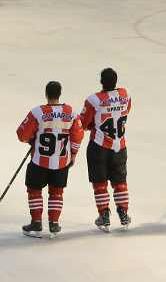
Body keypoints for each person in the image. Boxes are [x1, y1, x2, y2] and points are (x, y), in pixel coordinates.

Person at [16, 81, 84, 239]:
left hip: (39, 161)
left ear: (46, 94)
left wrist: (32, 140)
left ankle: (36, 223)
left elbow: (22, 135)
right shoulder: (71, 112)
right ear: (60, 94)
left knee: (34, 190)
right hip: (62, 161)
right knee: (57, 192)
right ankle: (54, 223)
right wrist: (73, 154)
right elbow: (78, 136)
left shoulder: (38, 112)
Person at [79, 68, 131, 232]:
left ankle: (104, 215)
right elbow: (126, 111)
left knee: (100, 182)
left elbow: (83, 123)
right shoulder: (126, 94)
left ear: (101, 82)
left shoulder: (93, 99)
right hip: (120, 145)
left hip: (99, 146)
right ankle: (123, 212)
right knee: (120, 181)